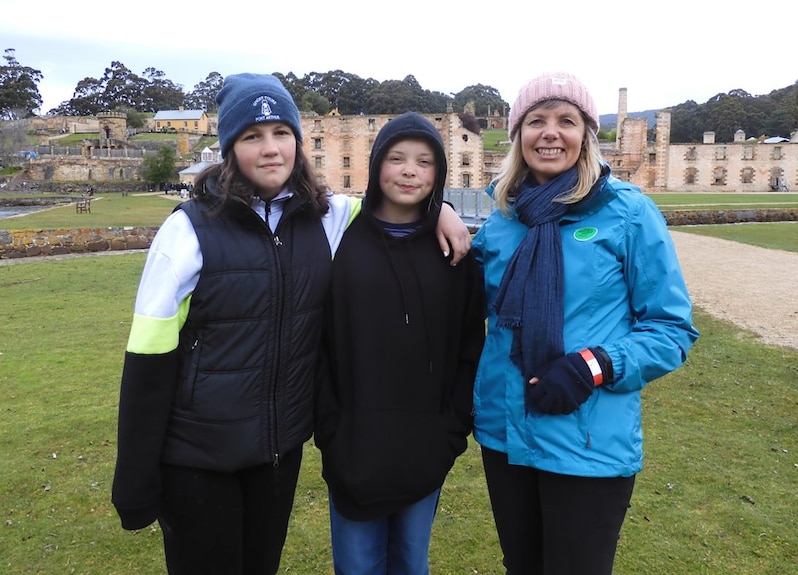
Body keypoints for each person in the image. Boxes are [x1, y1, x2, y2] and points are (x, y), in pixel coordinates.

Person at [110, 73, 471, 575]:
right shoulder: (188, 229)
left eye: (282, 133)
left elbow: (395, 201)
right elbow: (148, 359)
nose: (271, 149)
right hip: (198, 455)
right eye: (252, 136)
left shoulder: (323, 217)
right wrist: (134, 475)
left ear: (298, 143)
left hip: (275, 453)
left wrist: (445, 211)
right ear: (229, 148)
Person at [471, 72, 699, 575]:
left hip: (588, 438)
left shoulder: (628, 212)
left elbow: (671, 328)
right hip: (505, 432)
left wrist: (593, 365)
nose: (550, 132)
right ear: (517, 135)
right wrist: (437, 214)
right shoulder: (501, 221)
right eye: (536, 121)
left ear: (586, 136)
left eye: (566, 121)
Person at [314, 112, 486, 574]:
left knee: (412, 563)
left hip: (426, 445)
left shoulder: (455, 255)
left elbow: (470, 349)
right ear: (375, 167)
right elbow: (321, 346)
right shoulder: (341, 244)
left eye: (425, 162)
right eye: (397, 159)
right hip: (353, 444)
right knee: (357, 566)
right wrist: (330, 427)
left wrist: (451, 430)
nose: (410, 170)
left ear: (440, 174)